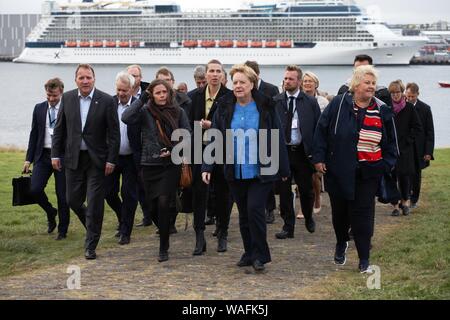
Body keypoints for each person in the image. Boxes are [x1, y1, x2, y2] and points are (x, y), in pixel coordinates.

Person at [202, 64, 290, 272]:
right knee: (243, 215)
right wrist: (207, 165)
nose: (238, 86)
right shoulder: (224, 106)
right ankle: (249, 252)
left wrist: (285, 170)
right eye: (235, 82)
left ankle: (261, 255)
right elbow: (214, 136)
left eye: (243, 82)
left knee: (255, 211)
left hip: (261, 170)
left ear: (252, 84)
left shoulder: (266, 106)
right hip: (235, 170)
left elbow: (277, 137)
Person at [313, 65, 398, 273]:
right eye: (366, 82)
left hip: (368, 172)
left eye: (373, 83)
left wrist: (383, 166)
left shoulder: (382, 109)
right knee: (340, 214)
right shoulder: (339, 104)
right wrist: (319, 158)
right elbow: (321, 131)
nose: (371, 86)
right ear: (356, 84)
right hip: (339, 169)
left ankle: (364, 259)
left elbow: (392, 145)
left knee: (363, 216)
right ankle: (341, 241)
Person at [52, 64, 120, 260]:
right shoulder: (67, 98)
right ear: (76, 80)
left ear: (94, 79)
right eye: (81, 78)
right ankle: (90, 222)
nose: (85, 81)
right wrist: (55, 154)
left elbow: (114, 134)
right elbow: (59, 129)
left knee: (95, 202)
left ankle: (91, 244)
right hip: (73, 159)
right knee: (72, 200)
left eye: (88, 77)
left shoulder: (106, 100)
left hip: (96, 161)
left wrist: (111, 160)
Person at [122, 79, 191, 262]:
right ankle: (163, 228)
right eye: (157, 92)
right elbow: (126, 117)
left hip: (170, 164)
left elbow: (187, 134)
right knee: (152, 206)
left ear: (169, 93)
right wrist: (142, 98)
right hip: (149, 163)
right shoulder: (145, 111)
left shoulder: (178, 111)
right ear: (152, 95)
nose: (161, 95)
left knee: (163, 202)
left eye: (164, 92)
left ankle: (163, 246)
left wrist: (174, 149)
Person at [23, 78, 83, 240]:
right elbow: (34, 134)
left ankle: (62, 231)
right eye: (48, 95)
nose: (51, 99)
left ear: (61, 92)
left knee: (63, 196)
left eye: (54, 96)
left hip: (63, 157)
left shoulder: (70, 108)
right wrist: (28, 159)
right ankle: (50, 212)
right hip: (42, 156)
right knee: (34, 189)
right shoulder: (39, 108)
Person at [274, 65, 321, 239]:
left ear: (299, 81)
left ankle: (308, 216)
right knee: (284, 190)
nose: (287, 81)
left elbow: (318, 128)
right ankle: (288, 226)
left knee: (306, 189)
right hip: (283, 151)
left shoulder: (310, 102)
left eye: (291, 79)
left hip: (302, 151)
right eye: (285, 78)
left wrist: (317, 155)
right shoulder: (276, 101)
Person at [190, 59, 232, 255]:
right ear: (205, 75)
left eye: (218, 71)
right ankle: (199, 236)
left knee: (224, 193)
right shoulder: (193, 97)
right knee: (200, 193)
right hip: (199, 150)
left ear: (223, 75)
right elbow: (186, 124)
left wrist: (212, 126)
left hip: (222, 150)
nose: (215, 75)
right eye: (211, 71)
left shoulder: (230, 97)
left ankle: (222, 231)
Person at [104, 71, 140, 245]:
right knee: (108, 192)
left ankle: (126, 231)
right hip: (112, 157)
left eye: (124, 90)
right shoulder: (109, 103)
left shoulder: (138, 106)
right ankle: (122, 217)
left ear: (132, 89)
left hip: (131, 159)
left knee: (129, 194)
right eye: (118, 89)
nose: (121, 93)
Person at [244, 60, 280, 224]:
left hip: (265, 139)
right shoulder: (241, 89)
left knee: (266, 176)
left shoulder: (271, 89)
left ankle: (270, 209)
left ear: (257, 74)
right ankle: (253, 208)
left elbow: (275, 114)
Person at [388, 80, 423, 216]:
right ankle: (395, 205)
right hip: (391, 149)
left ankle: (406, 202)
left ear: (402, 92)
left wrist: (408, 140)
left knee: (404, 176)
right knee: (392, 177)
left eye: (397, 92)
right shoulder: (387, 108)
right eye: (392, 93)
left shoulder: (409, 107)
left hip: (405, 149)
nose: (395, 95)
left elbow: (417, 128)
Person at [302, 71, 329, 215]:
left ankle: (317, 198)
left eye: (310, 81)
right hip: (302, 142)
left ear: (316, 84)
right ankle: (304, 206)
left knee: (315, 175)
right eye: (305, 81)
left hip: (317, 141)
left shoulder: (323, 102)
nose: (307, 83)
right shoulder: (298, 99)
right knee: (303, 176)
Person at [405, 83, 435, 209]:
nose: (410, 99)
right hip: (406, 146)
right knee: (405, 174)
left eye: (412, 96)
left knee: (416, 175)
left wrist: (428, 152)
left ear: (417, 94)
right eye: (408, 96)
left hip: (419, 148)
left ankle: (414, 199)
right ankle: (405, 197)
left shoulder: (425, 108)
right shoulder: (402, 106)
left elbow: (430, 132)